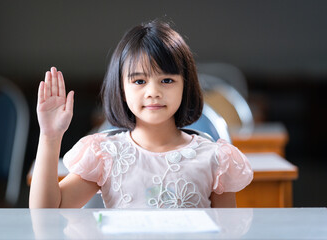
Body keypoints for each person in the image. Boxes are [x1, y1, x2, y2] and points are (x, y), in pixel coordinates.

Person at [29, 20, 253, 209]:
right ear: (122, 90)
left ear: (185, 86)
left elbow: (227, 231)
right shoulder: (105, 154)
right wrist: (50, 136)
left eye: (167, 80)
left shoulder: (215, 158)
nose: (153, 92)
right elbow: (48, 211)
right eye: (139, 81)